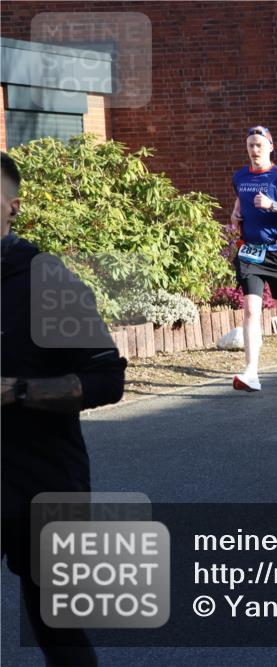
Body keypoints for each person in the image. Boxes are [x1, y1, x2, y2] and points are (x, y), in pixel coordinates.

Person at [2, 152, 127, 665]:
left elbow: (106, 379)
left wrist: (17, 391)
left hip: (45, 481)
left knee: (61, 634)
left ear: (10, 207)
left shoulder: (46, 281)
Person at [230, 126, 277, 391]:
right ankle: (251, 371)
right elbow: (240, 203)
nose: (254, 150)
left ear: (270, 147)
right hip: (250, 252)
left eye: (259, 145)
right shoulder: (240, 176)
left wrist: (273, 205)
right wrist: (235, 215)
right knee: (251, 309)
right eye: (251, 145)